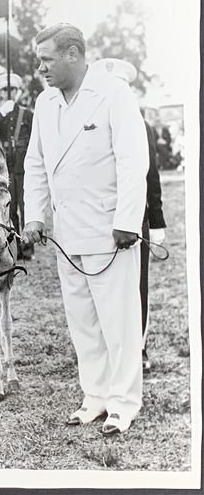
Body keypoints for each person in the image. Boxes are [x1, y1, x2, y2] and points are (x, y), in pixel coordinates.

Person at [23, 24, 149, 436]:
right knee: (82, 322)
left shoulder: (113, 93)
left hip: (110, 230)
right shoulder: (45, 103)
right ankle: (94, 398)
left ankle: (123, 403)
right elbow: (36, 163)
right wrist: (35, 216)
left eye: (47, 59)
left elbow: (133, 161)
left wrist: (127, 221)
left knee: (119, 321)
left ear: (73, 54)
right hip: (66, 232)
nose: (40, 68)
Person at [92, 59, 167, 374]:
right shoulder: (90, 125)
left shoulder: (141, 124)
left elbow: (151, 176)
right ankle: (109, 349)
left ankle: (138, 348)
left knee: (137, 285)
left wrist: (158, 220)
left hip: (136, 218)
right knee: (103, 284)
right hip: (99, 218)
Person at [0, 72, 34, 260]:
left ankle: (28, 248)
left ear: (18, 91)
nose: (9, 93)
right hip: (7, 167)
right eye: (5, 90)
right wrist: (2, 112)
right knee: (10, 208)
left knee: (26, 205)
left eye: (12, 89)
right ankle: (14, 246)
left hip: (24, 165)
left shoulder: (27, 114)